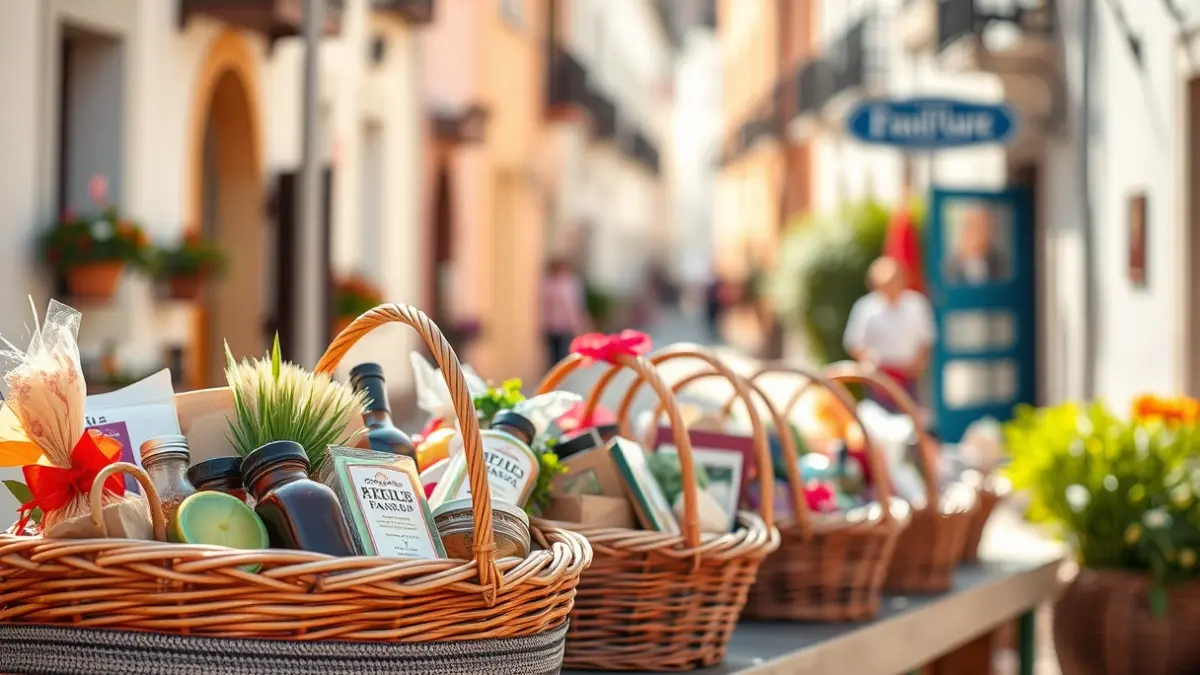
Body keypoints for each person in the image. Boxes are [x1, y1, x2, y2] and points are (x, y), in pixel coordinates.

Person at [844, 257, 936, 412]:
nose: (891, 288)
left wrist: (917, 362)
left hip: (909, 377)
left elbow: (926, 339)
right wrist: (869, 361)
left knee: (912, 417)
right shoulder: (866, 308)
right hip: (879, 378)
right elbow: (854, 342)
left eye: (894, 281)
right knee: (879, 420)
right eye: (886, 284)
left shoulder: (916, 304)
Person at [540, 257, 589, 366]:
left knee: (563, 355)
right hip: (551, 326)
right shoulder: (547, 283)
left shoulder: (570, 283)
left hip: (565, 326)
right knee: (552, 356)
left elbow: (575, 306)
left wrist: (578, 324)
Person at [944, 205, 1006, 285]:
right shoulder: (951, 267)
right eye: (971, 226)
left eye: (981, 227)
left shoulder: (998, 263)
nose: (976, 234)